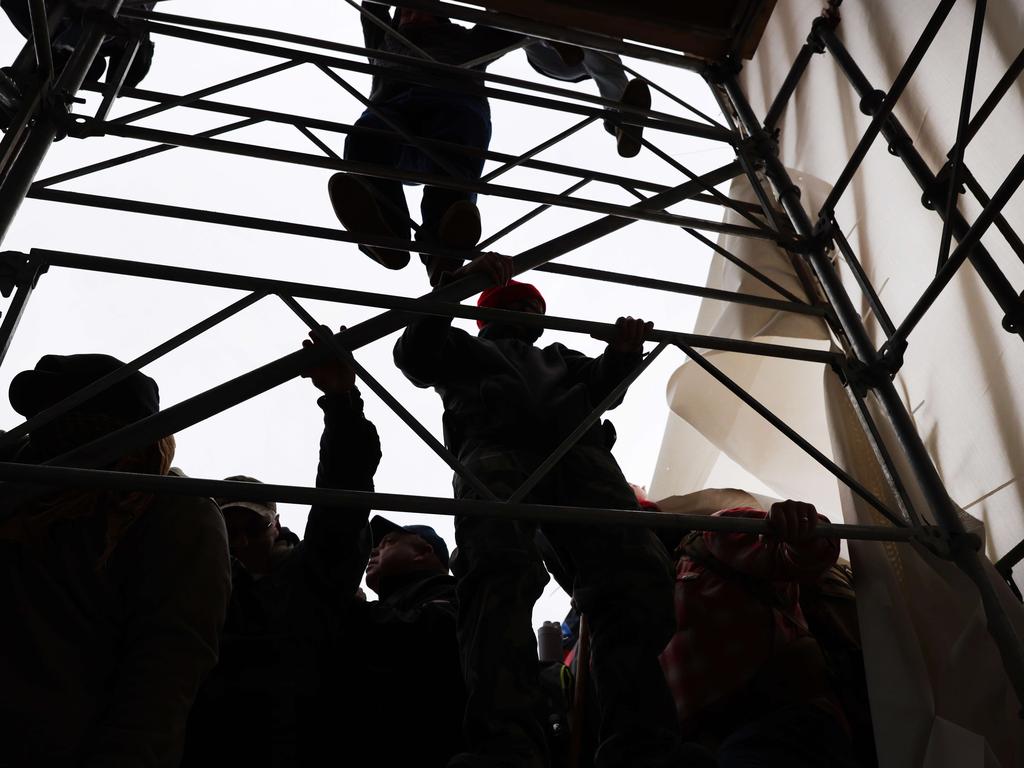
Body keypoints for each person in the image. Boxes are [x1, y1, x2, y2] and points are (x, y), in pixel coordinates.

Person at [394, 253, 682, 768]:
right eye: (519, 304)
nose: (530, 312)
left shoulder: (557, 356)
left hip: (575, 450)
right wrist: (452, 291)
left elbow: (603, 388)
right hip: (501, 447)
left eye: (533, 305)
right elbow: (415, 354)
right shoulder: (463, 348)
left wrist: (621, 354)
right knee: (497, 578)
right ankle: (510, 743)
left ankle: (636, 738)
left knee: (632, 574)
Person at [0, 353, 231, 767]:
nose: (46, 436)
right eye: (43, 420)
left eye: (69, 421)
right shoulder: (21, 484)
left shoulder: (172, 514)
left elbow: (164, 674)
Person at [181, 328, 382, 767]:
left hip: (317, 740)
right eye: (227, 528)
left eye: (251, 525)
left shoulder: (315, 573)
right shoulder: (199, 588)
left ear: (277, 525)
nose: (241, 539)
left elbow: (343, 499)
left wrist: (342, 402)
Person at [328, 3, 521, 284]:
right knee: (364, 138)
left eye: (421, 9)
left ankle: (443, 250)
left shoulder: (466, 39)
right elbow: (372, 7)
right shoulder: (384, 37)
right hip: (394, 122)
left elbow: (509, 22)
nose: (412, 16)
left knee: (462, 138)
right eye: (405, 11)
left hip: (449, 121)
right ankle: (386, 231)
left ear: (440, 16)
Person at [659, 499, 860, 767]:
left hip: (779, 722)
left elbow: (807, 550)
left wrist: (797, 524)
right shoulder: (627, 611)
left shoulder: (709, 534)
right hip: (707, 743)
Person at [0, 0, 156, 130]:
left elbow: (120, 83)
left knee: (91, 64)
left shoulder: (108, 41)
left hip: (56, 32)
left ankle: (25, 98)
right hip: (53, 18)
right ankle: (26, 96)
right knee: (89, 62)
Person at [523, 42, 651, 158]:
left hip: (563, 55)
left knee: (601, 55)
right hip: (556, 54)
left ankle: (619, 119)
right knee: (603, 59)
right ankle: (619, 118)